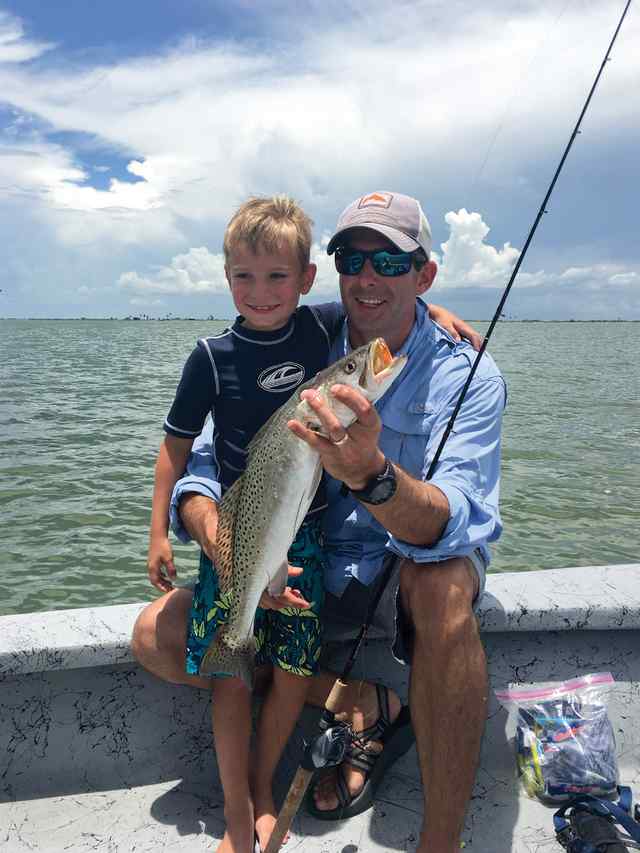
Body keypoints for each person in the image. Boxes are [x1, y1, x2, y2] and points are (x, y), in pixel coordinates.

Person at [137, 192, 484, 853]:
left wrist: (432, 310)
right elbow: (187, 453)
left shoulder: (346, 336)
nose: (262, 291)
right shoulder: (247, 346)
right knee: (202, 658)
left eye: (391, 262)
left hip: (341, 561)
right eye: (355, 259)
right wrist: (179, 526)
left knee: (319, 655)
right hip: (253, 541)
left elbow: (384, 319)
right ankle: (253, 801)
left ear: (303, 281)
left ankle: (399, 821)